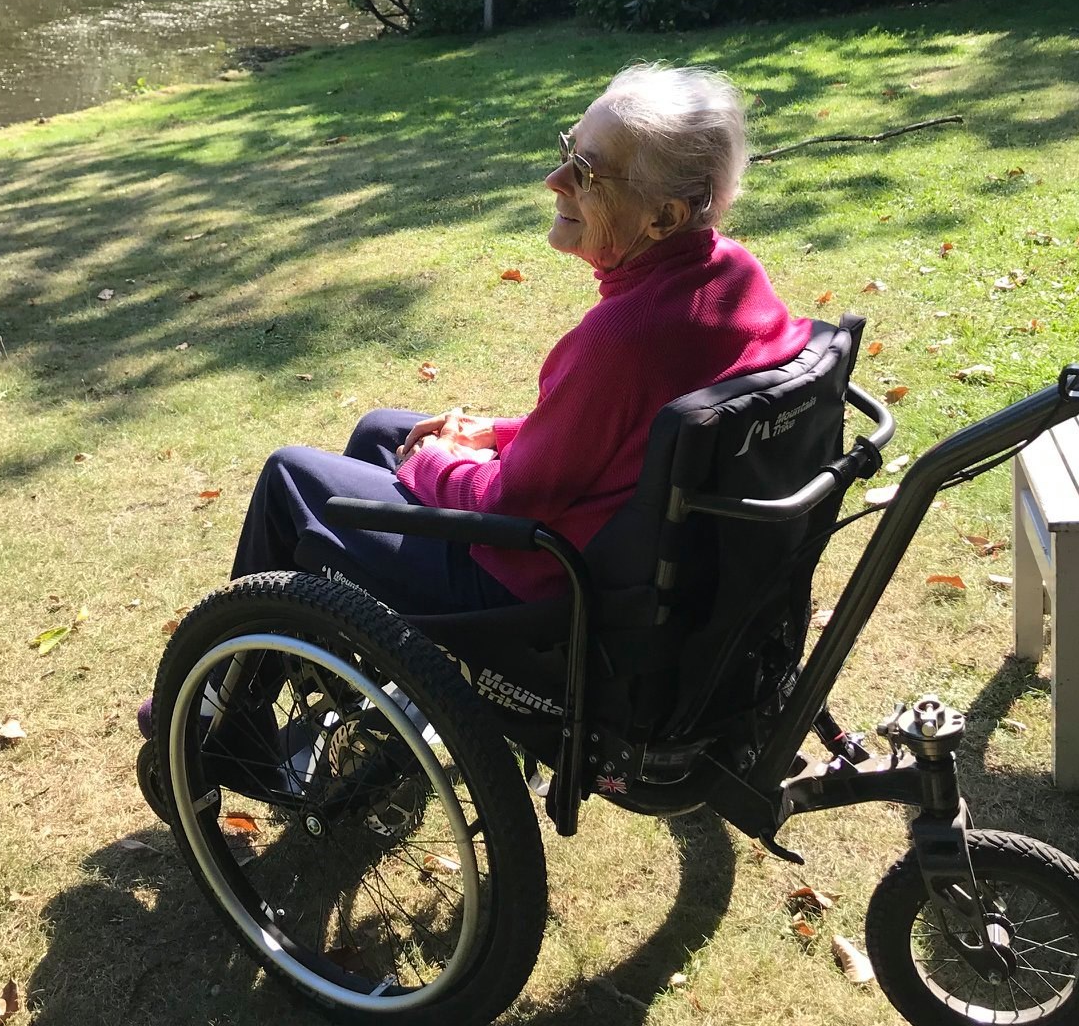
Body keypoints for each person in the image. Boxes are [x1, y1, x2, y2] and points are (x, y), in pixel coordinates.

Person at [212, 62, 812, 615]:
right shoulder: (729, 273)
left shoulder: (622, 336)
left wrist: (436, 463)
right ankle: (332, 651)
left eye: (588, 172)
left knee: (290, 476)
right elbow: (616, 436)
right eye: (568, 152)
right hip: (630, 545)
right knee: (379, 431)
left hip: (536, 585)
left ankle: (219, 713)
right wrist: (494, 434)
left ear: (664, 217)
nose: (555, 181)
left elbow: (510, 502)